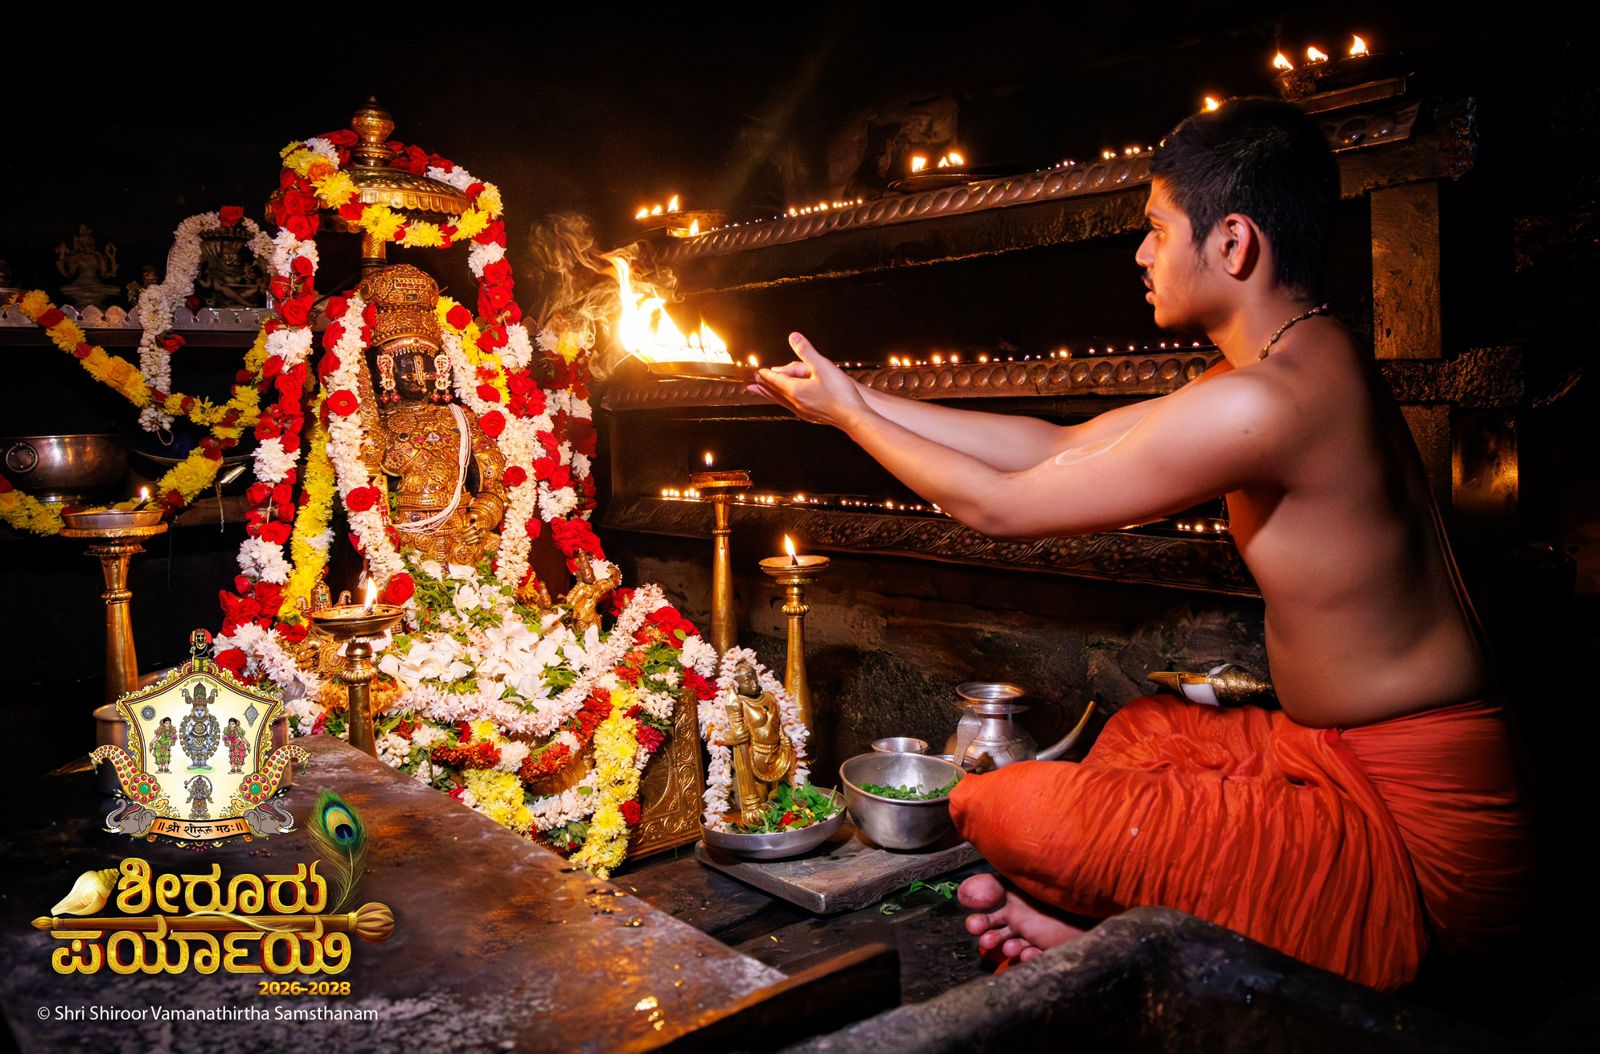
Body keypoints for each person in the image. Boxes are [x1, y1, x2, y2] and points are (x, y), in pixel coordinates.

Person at [750, 97, 1533, 991]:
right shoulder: (1301, 356)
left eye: (1157, 229)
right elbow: (1053, 445)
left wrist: (848, 421)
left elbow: (1001, 505)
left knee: (1004, 807)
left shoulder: (1263, 402)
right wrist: (857, 397)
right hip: (1331, 751)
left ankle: (1108, 931)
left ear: (1232, 242)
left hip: (1425, 844)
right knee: (1143, 730)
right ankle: (1116, 926)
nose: (1141, 253)